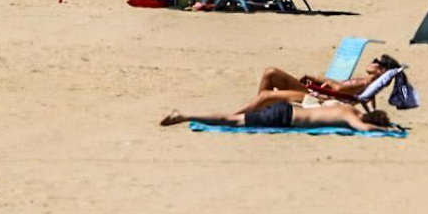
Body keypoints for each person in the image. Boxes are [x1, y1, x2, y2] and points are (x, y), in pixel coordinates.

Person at [237, 53, 401, 114]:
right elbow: (367, 100)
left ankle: (244, 115)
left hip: (315, 99)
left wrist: (319, 79)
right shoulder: (367, 84)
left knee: (270, 82)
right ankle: (259, 112)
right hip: (317, 95)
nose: (372, 62)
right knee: (271, 73)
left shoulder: (364, 83)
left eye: (376, 62)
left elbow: (337, 88)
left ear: (381, 71)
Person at [159, 101, 394, 133]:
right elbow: (363, 129)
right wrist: (386, 130)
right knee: (231, 121)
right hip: (284, 118)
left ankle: (187, 114)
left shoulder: (348, 107)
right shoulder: (351, 119)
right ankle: (185, 115)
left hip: (288, 108)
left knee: (232, 117)